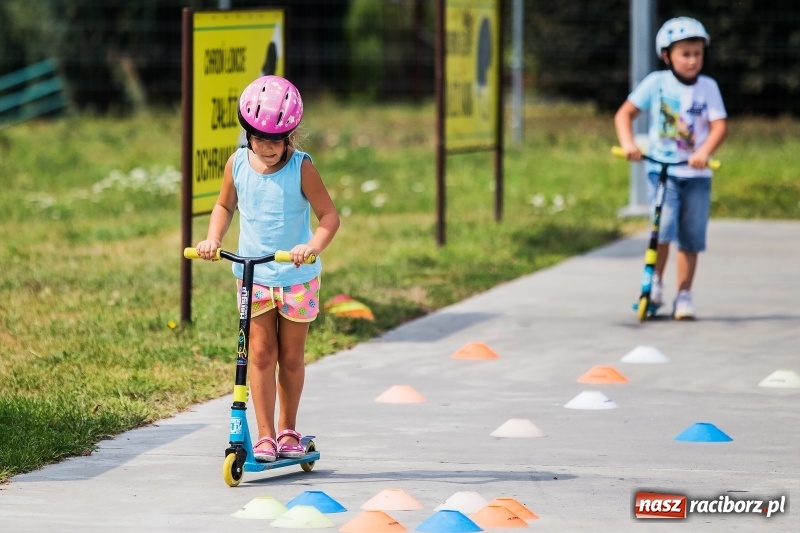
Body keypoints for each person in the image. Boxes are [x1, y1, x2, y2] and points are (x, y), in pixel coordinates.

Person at [195, 75, 340, 461]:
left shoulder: (302, 168)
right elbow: (224, 206)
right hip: (254, 277)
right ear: (248, 133)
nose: (268, 147)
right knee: (259, 354)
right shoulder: (237, 165)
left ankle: (288, 429)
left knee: (290, 357)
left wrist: (312, 247)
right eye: (260, 138)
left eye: (277, 139)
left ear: (290, 135)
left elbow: (329, 216)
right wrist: (212, 239)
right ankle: (264, 435)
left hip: (295, 279)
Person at [614, 17, 727, 320]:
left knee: (691, 237)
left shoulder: (708, 88)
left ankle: (684, 295)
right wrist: (629, 144)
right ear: (667, 56)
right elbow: (624, 115)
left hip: (696, 175)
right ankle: (655, 285)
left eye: (697, 54)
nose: (692, 60)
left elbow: (719, 126)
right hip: (663, 171)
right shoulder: (656, 83)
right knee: (662, 228)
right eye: (685, 54)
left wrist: (703, 152)